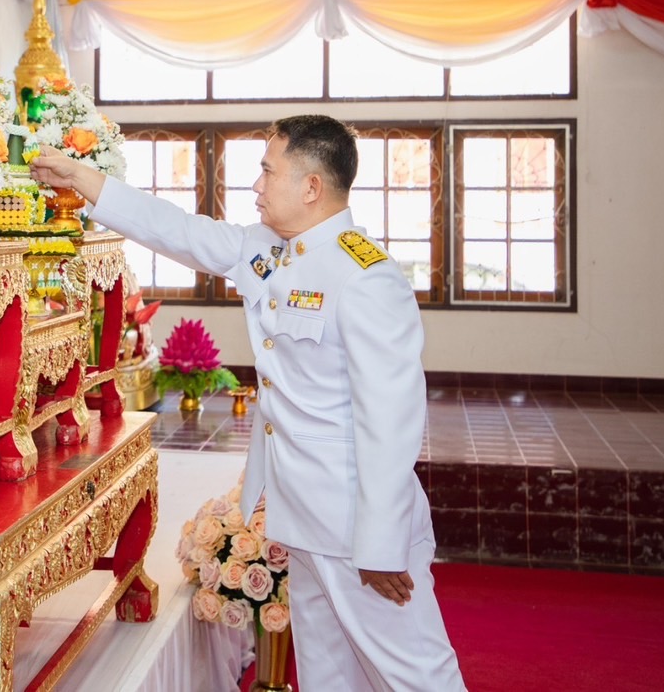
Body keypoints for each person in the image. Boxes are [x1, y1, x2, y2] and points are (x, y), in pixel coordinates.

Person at [31, 114, 466, 691]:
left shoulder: (365, 276)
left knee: (416, 675)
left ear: (311, 187)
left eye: (267, 171)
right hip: (302, 515)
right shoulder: (269, 250)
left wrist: (381, 543)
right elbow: (179, 230)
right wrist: (84, 179)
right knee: (329, 674)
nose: (256, 187)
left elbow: (391, 419)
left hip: (356, 524)